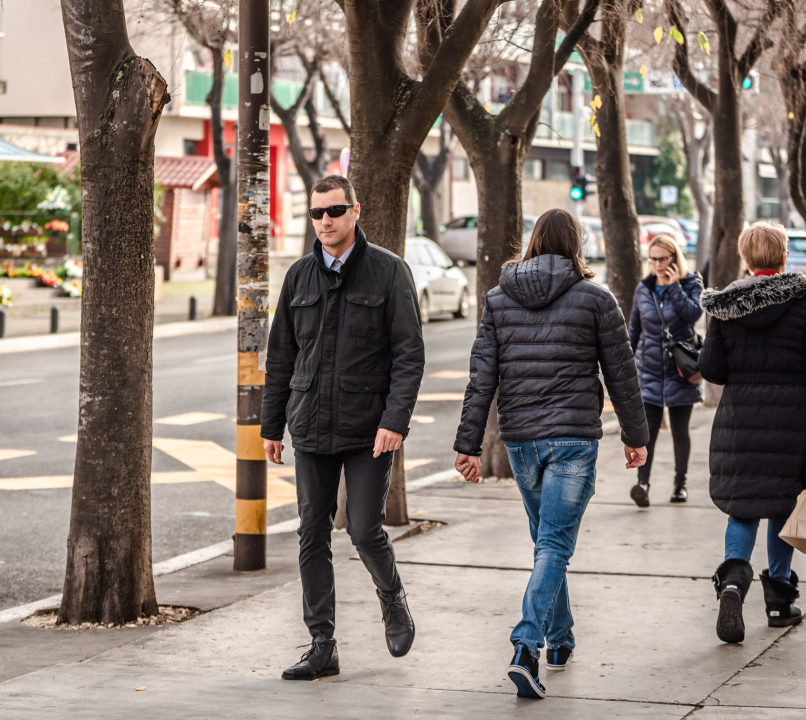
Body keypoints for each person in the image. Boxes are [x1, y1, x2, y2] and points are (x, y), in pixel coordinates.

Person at [453, 209, 649, 699]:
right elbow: (621, 375)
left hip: (521, 442)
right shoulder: (596, 299)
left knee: (547, 543)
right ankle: (526, 646)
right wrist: (636, 436)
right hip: (573, 441)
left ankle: (559, 641)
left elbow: (482, 377)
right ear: (576, 245)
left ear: (534, 242)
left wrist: (468, 444)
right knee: (555, 546)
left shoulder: (498, 299)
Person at [261, 175, 425, 681]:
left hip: (368, 428)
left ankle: (392, 598)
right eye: (316, 214)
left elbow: (409, 355)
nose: (325, 222)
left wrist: (394, 421)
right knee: (311, 532)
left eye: (334, 211)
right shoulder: (299, 277)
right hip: (311, 424)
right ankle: (322, 645)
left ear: (356, 211)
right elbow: (281, 355)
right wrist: (271, 424)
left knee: (363, 528)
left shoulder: (389, 272)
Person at [698, 222, 806, 644]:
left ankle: (732, 583)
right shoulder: (801, 307)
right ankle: (779, 600)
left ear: (746, 259)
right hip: (792, 426)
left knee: (742, 507)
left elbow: (712, 369)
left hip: (739, 424)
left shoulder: (725, 308)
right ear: (783, 258)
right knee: (783, 506)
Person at [628, 234, 704, 506]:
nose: (657, 265)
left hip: (680, 370)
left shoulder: (691, 283)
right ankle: (643, 483)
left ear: (674, 258)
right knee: (647, 431)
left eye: (663, 259)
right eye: (653, 259)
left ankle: (680, 485)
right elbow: (634, 329)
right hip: (648, 371)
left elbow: (693, 314)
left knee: (679, 431)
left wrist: (674, 287)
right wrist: (626, 367)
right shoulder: (644, 289)